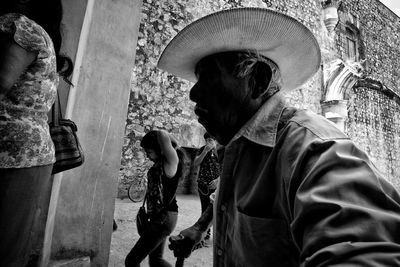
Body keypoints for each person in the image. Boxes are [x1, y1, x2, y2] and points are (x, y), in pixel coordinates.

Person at [157, 7, 400, 267]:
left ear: (258, 81)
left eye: (209, 77)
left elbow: (363, 250)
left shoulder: (316, 151)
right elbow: (227, 200)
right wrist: (199, 227)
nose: (194, 94)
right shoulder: (237, 147)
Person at [0, 0, 73, 266]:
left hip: (13, 155)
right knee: (11, 249)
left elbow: (2, 81)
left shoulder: (21, 27)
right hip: (27, 155)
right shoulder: (42, 37)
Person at [125, 130, 183, 267]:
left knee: (131, 261)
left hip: (164, 218)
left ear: (161, 149)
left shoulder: (170, 163)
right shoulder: (161, 163)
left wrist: (156, 134)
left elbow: (162, 135)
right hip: (160, 217)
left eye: (149, 152)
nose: (147, 156)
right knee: (156, 261)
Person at [192, 132, 220, 248]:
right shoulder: (202, 150)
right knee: (205, 209)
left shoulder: (220, 151)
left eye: (212, 140)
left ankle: (218, 236)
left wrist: (218, 180)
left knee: (217, 210)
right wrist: (205, 151)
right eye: (208, 140)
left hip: (217, 186)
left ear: (215, 140)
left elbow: (225, 166)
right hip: (203, 186)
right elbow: (195, 163)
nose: (210, 142)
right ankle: (205, 235)